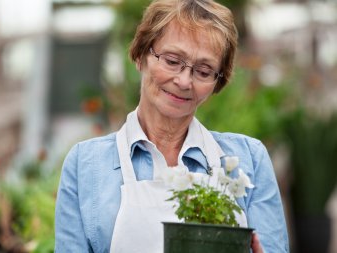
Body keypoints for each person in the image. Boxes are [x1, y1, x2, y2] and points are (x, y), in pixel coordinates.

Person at [54, 0, 289, 252]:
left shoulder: (248, 160)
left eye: (203, 70)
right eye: (172, 60)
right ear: (141, 55)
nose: (184, 80)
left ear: (216, 82)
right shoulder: (86, 165)